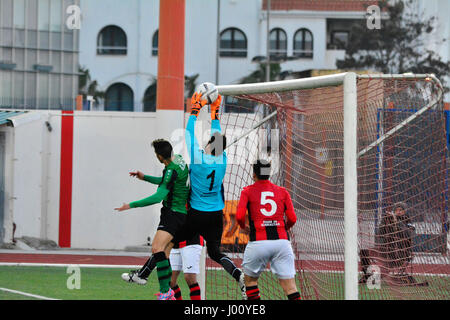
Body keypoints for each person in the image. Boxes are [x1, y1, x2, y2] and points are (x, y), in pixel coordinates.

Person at [172, 91, 247, 299]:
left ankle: (151, 278)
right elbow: (217, 137)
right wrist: (215, 113)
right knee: (214, 252)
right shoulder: (222, 160)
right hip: (215, 214)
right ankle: (237, 273)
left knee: (168, 242)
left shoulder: (198, 159)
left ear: (207, 146)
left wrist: (195, 110)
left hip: (197, 214)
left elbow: (188, 134)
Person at [114, 139, 190, 300]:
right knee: (165, 254)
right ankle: (150, 281)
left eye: (156, 154)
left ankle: (166, 292)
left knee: (157, 249)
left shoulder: (171, 170)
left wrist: (131, 205)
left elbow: (158, 197)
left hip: (172, 214)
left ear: (160, 156)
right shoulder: (179, 161)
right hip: (182, 215)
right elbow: (167, 182)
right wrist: (145, 177)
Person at [235, 160, 301, 300]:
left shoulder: (247, 191)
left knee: (250, 282)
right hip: (282, 243)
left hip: (259, 242)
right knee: (290, 287)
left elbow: (239, 216)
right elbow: (293, 218)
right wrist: (283, 229)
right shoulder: (283, 191)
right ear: (269, 174)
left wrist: (244, 228)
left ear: (254, 174)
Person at [359, 202, 426, 286]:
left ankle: (376, 277)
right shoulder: (389, 220)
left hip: (400, 254)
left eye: (400, 210)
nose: (398, 212)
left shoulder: (408, 222)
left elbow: (409, 234)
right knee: (363, 252)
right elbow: (380, 234)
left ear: (405, 211)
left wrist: (396, 222)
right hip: (385, 251)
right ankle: (367, 275)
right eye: (396, 210)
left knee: (377, 278)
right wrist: (384, 221)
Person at [121, 234, 204, 300]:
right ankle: (142, 275)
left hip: (192, 242)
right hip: (174, 244)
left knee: (189, 277)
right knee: (171, 281)